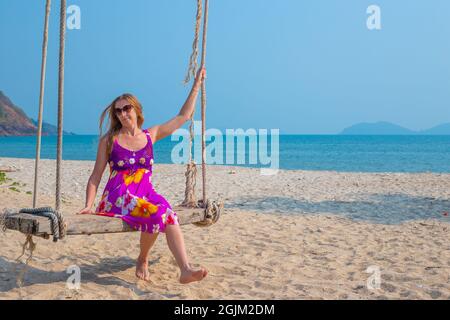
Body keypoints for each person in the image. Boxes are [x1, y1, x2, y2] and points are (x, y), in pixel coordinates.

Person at [78, 68, 207, 284]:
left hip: (146, 193)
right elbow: (95, 177)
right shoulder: (109, 141)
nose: (122, 114)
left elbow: (183, 116)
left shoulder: (151, 135)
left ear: (136, 110)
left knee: (169, 214)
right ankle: (143, 259)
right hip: (118, 197)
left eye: (126, 108)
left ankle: (185, 269)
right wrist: (89, 205)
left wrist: (196, 85)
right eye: (118, 111)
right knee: (156, 215)